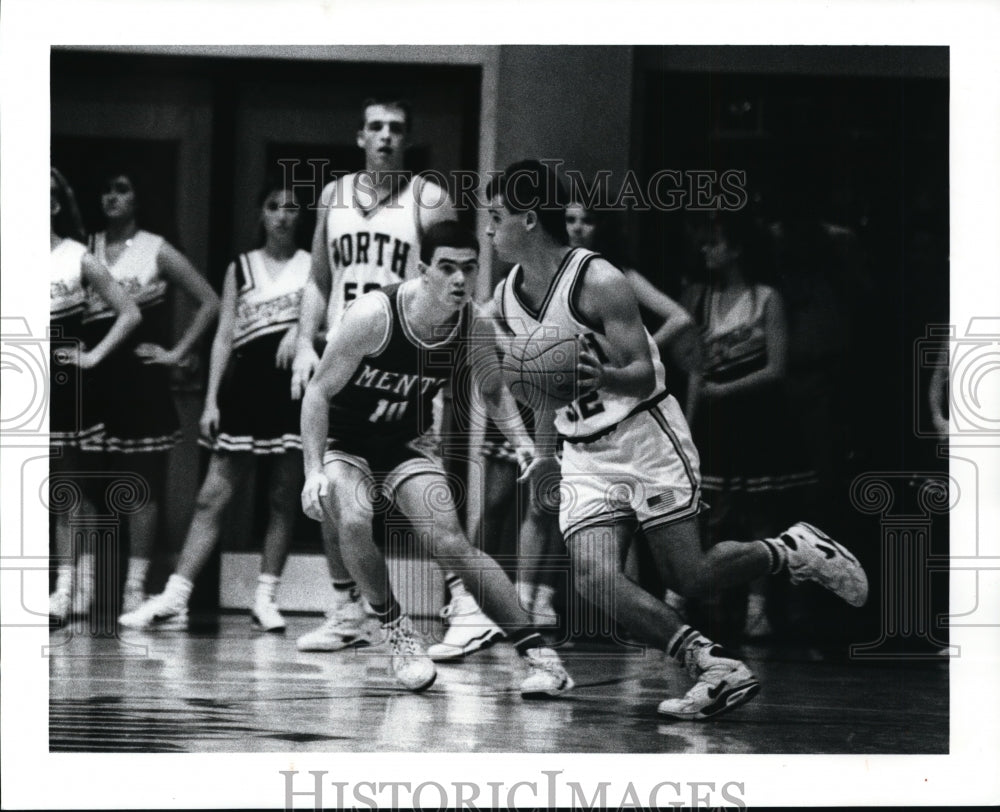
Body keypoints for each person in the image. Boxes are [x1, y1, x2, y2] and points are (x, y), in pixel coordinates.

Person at [486, 160, 868, 720]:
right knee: (594, 577)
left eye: (495, 217)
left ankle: (789, 550)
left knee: (687, 574)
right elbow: (547, 389)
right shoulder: (506, 297)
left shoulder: (600, 281)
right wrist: (544, 457)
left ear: (526, 218)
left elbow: (644, 369)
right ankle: (715, 665)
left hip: (644, 434)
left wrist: (605, 377)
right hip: (584, 453)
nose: (488, 229)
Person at [299, 220, 573, 696]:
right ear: (423, 269)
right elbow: (318, 392)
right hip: (348, 443)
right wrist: (310, 470)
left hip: (408, 443)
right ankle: (398, 633)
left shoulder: (473, 325)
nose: (459, 280)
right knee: (356, 519)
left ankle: (540, 656)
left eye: (469, 269)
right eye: (447, 268)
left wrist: (524, 444)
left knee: (450, 541)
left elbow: (492, 390)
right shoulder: (373, 316)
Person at [290, 97, 502, 657]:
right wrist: (301, 340)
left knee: (425, 493)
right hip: (345, 356)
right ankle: (347, 611)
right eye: (376, 128)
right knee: (333, 492)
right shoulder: (334, 196)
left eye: (397, 129)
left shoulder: (427, 198)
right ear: (360, 136)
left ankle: (464, 604)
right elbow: (317, 277)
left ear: (407, 139)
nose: (386, 137)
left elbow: (456, 269)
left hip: (405, 357)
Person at [119, 184, 310, 632]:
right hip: (244, 389)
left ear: (302, 216)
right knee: (212, 497)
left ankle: (265, 597)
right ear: (260, 214)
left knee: (283, 496)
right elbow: (223, 335)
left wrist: (304, 334)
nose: (282, 216)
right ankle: (176, 595)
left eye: (291, 207)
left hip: (291, 391)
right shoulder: (240, 267)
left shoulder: (312, 266)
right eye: (273, 206)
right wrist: (210, 400)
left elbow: (326, 319)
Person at [81, 169, 219, 615]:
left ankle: (133, 589)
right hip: (94, 376)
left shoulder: (154, 247)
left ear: (138, 197)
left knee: (140, 488)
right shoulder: (85, 246)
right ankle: (83, 586)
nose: (111, 197)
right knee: (86, 485)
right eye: (106, 188)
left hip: (138, 382)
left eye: (121, 188)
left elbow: (210, 300)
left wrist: (177, 352)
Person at [682, 212, 819, 641]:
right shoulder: (700, 299)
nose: (707, 251)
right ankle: (713, 604)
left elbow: (777, 368)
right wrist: (684, 426)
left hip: (758, 418)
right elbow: (693, 371)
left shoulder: (766, 298)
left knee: (761, 517)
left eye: (715, 243)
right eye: (704, 244)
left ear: (738, 248)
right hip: (714, 422)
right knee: (715, 515)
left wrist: (726, 391)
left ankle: (758, 610)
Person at [48, 167, 142, 623]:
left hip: (65, 388)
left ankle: (67, 588)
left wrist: (93, 357)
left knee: (65, 491)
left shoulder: (76, 256)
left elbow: (129, 312)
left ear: (54, 205)